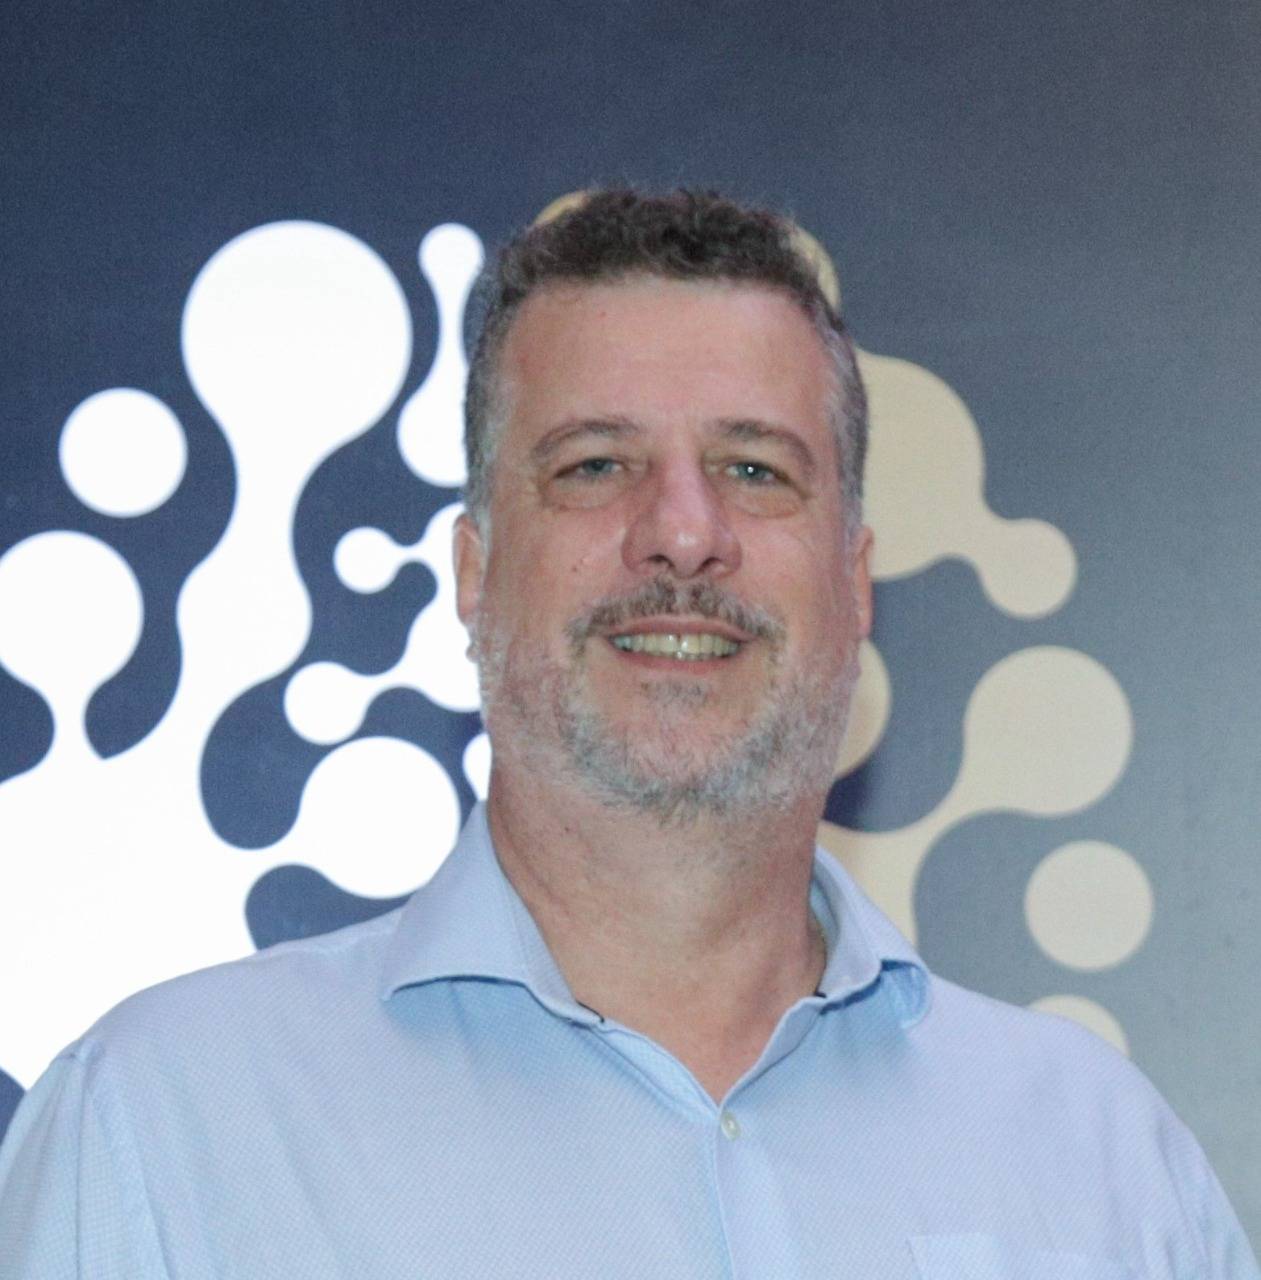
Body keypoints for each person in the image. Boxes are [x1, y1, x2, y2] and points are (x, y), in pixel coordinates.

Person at [0, 189, 1255, 1278]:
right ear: (473, 572)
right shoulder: (162, 1133)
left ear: (854, 578)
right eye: (595, 465)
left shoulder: (1106, 1166)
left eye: (755, 469)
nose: (684, 533)